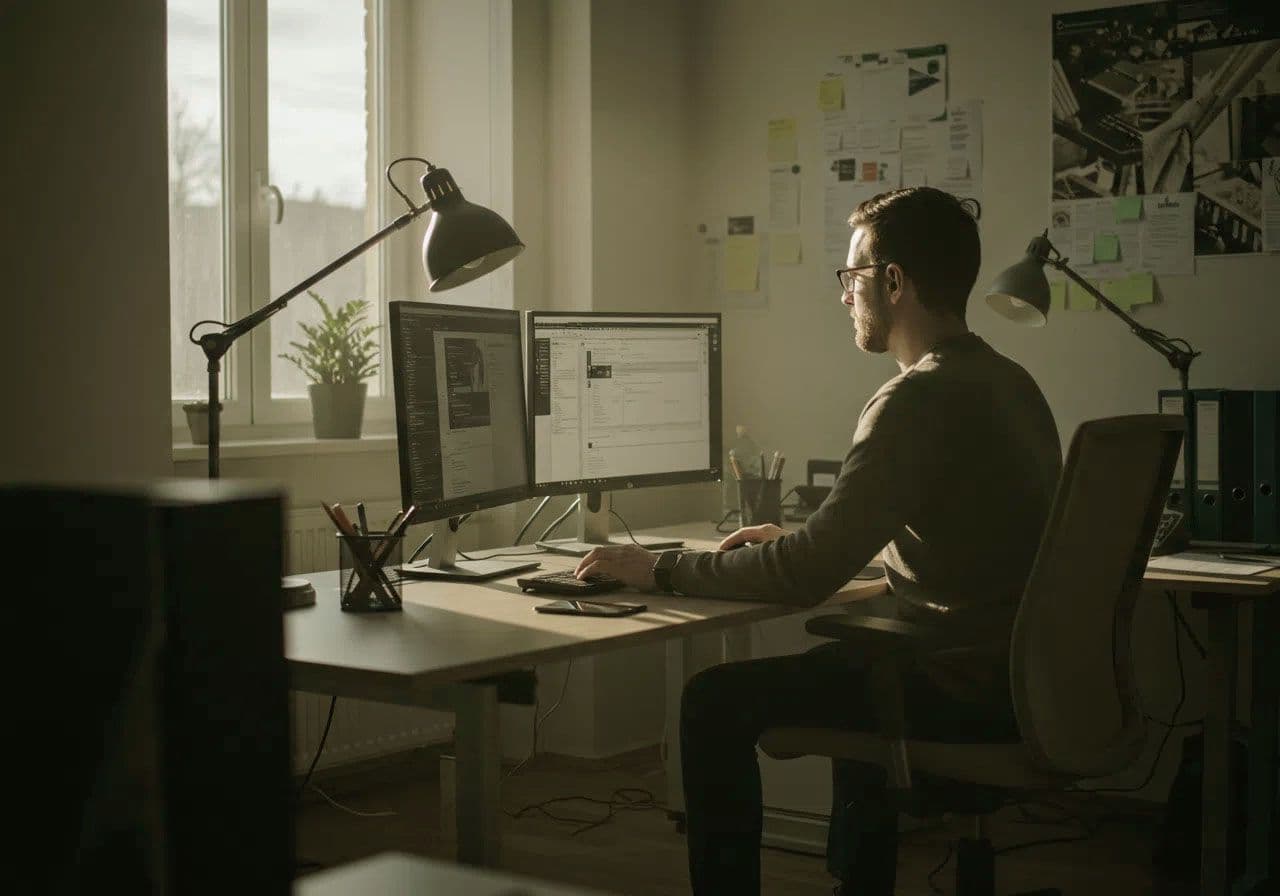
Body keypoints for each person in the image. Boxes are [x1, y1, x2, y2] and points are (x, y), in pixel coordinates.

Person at [574, 187, 1063, 896]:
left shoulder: (916, 399)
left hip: (959, 686)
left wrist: (659, 568)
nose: (844, 296)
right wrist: (816, 541)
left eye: (851, 276)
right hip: (1022, 679)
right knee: (854, 661)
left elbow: (804, 577)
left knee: (712, 701)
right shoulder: (1009, 383)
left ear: (893, 282)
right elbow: (957, 540)